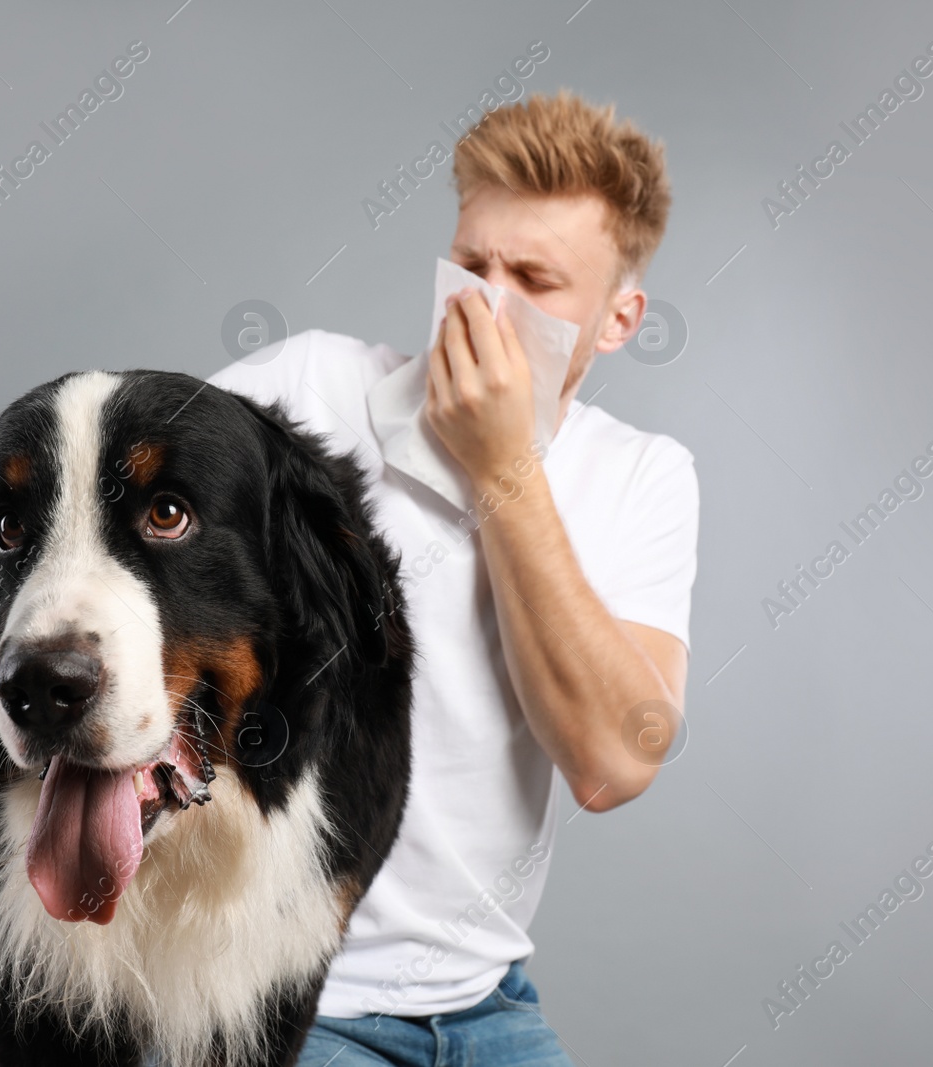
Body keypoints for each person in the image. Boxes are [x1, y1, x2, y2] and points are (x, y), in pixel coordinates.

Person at [209, 89, 698, 1066]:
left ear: (617, 318)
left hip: (485, 999)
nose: (485, 302)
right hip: (286, 1000)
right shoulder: (306, 392)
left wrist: (502, 468)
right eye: (471, 264)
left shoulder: (644, 475)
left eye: (535, 278)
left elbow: (614, 760)